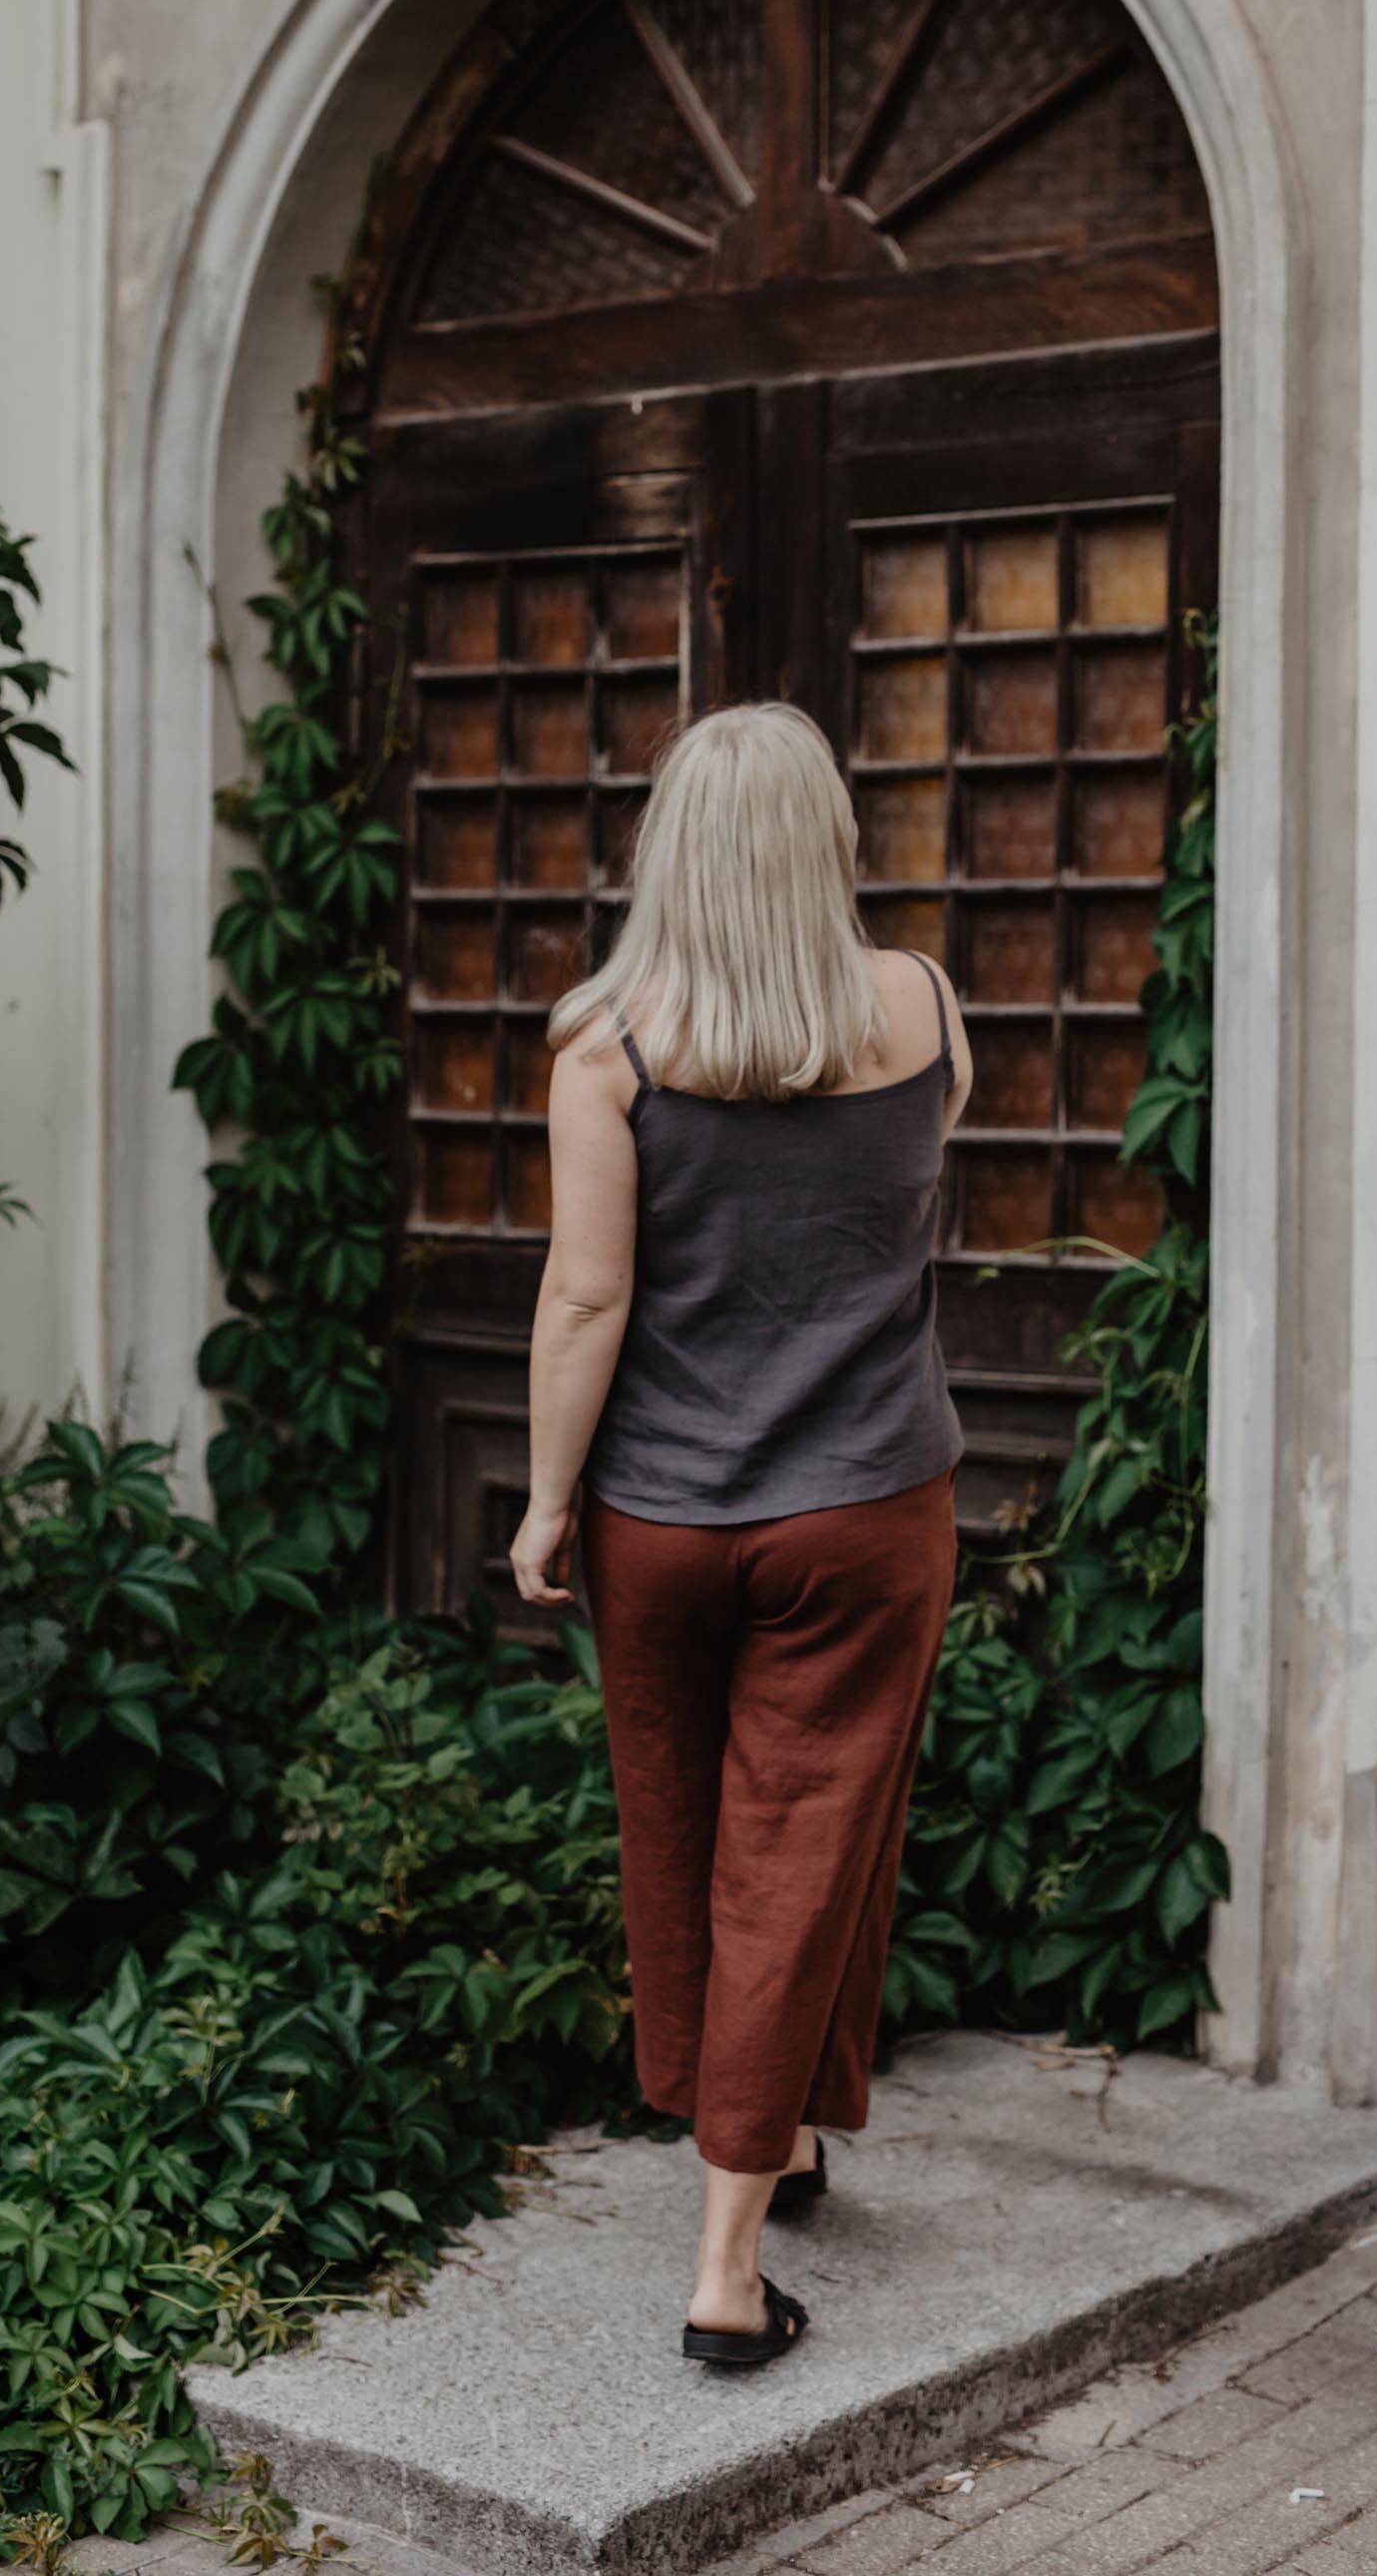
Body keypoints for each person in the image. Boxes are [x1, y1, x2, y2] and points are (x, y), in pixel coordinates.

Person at [509, 699, 973, 2369]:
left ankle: (760, 2144)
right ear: (828, 841)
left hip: (661, 1514)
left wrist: (551, 1504)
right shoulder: (919, 1005)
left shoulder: (606, 1047)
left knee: (687, 1838)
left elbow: (585, 1298)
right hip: (863, 1512)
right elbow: (896, 1212)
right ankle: (729, 2261)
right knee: (808, 1845)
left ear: (671, 851)